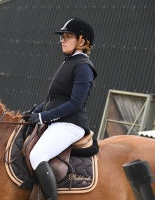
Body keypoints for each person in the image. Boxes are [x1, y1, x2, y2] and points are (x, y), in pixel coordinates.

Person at [26, 18, 97, 200]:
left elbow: (76, 103)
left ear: (82, 41)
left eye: (68, 36)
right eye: (62, 37)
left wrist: (44, 117)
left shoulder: (83, 67)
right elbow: (54, 99)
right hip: (59, 122)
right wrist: (34, 113)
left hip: (70, 124)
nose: (62, 40)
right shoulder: (69, 62)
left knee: (37, 155)